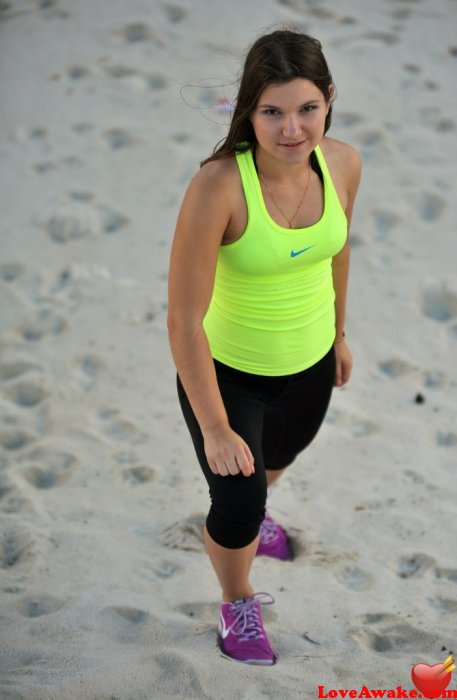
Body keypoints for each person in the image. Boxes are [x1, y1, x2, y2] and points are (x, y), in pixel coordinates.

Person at [167, 29, 361, 665]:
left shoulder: (343, 164)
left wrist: (337, 335)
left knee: (283, 456)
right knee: (239, 502)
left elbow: (337, 250)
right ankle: (237, 599)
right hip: (228, 375)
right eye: (272, 111)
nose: (292, 129)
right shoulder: (218, 187)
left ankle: (261, 510)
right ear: (249, 110)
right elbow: (183, 319)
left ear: (328, 99)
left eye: (307, 108)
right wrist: (216, 427)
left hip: (308, 364)